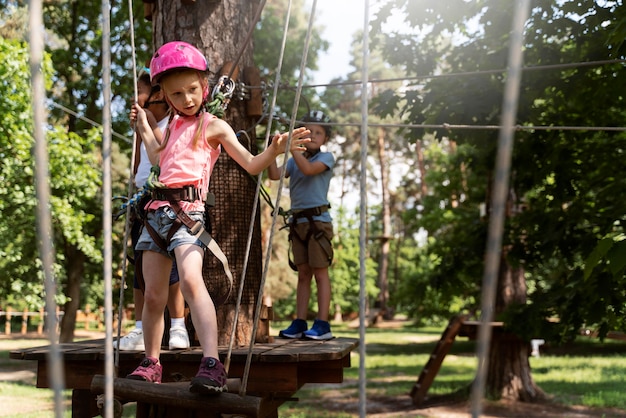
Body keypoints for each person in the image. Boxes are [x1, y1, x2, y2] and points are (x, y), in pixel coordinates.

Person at [127, 41, 310, 394]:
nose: (187, 99)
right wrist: (144, 127)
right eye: (176, 93)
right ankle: (151, 362)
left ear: (204, 87)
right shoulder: (171, 128)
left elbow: (254, 165)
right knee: (152, 295)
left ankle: (211, 362)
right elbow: (156, 154)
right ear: (163, 94)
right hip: (155, 214)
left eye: (193, 90)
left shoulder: (214, 127)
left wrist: (274, 148)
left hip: (187, 215)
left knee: (193, 281)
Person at [116, 67, 191, 351]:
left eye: (141, 95)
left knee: (171, 270)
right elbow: (139, 165)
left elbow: (164, 157)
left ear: (159, 95)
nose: (135, 102)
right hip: (143, 200)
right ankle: (139, 328)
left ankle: (178, 326)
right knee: (140, 269)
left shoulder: (174, 123)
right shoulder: (143, 127)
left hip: (168, 202)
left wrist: (146, 123)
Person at [267, 110, 335, 341]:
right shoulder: (293, 160)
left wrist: (292, 146)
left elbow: (308, 169)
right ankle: (300, 321)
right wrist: (273, 149)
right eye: (309, 132)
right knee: (303, 273)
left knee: (320, 273)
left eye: (319, 132)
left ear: (325, 138)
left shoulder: (326, 158)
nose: (314, 136)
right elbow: (275, 175)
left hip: (318, 224)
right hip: (299, 223)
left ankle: (323, 324)